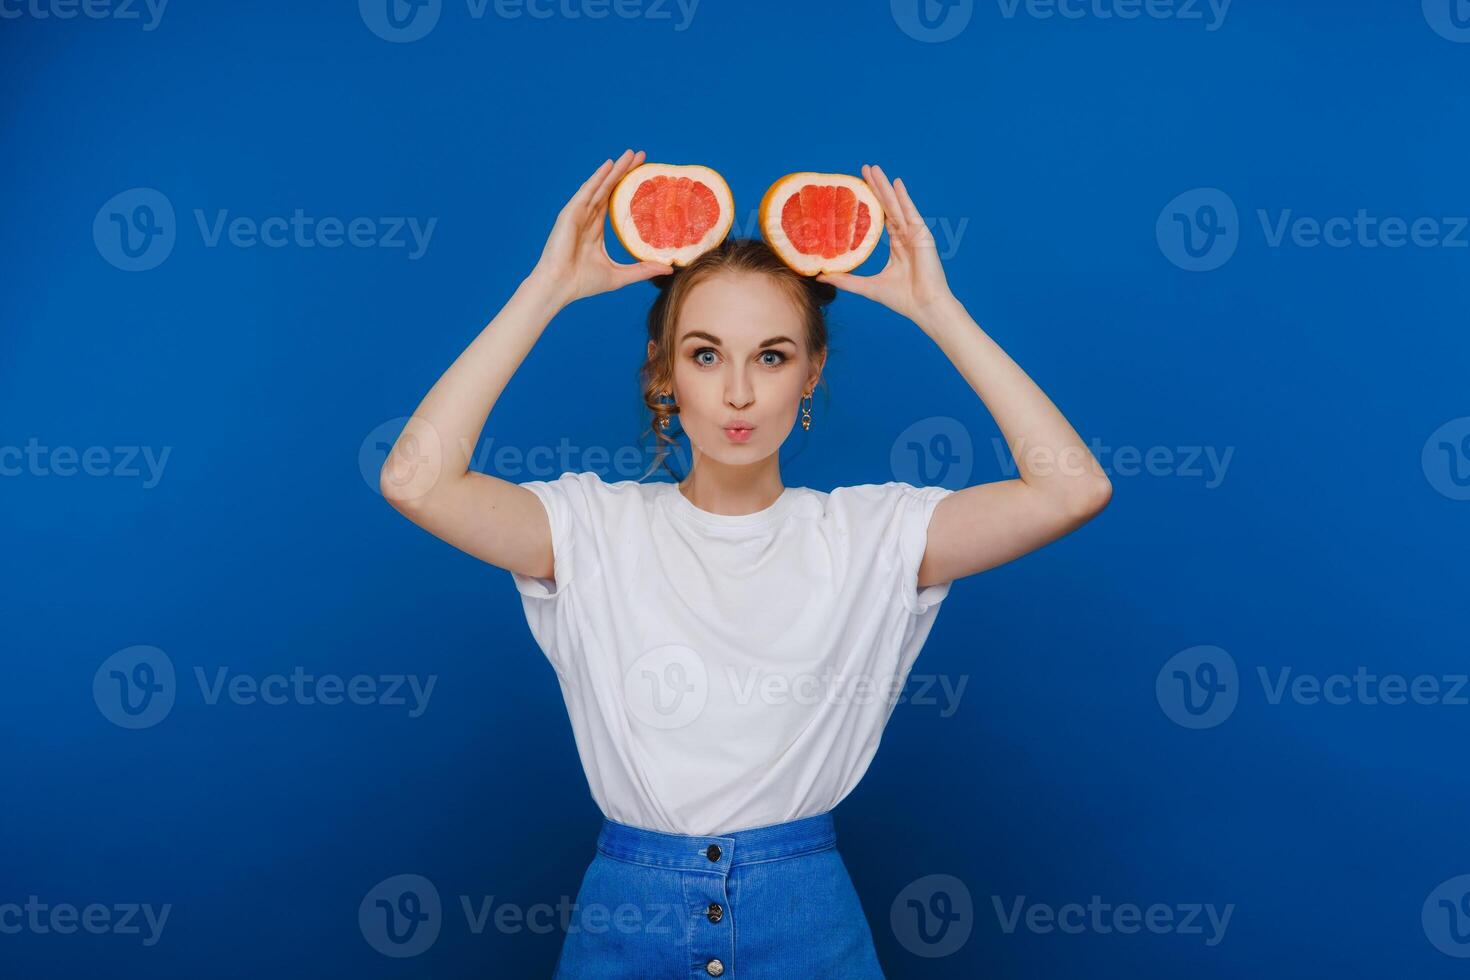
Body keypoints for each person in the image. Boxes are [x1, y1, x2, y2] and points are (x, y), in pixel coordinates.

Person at [379, 148, 1112, 978]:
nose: (737, 393)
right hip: (625, 923)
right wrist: (546, 288)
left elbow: (1073, 489)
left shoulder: (874, 535)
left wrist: (939, 311)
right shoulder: (588, 527)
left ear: (811, 374)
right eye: (704, 354)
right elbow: (415, 479)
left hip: (807, 927)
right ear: (664, 374)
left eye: (771, 356)